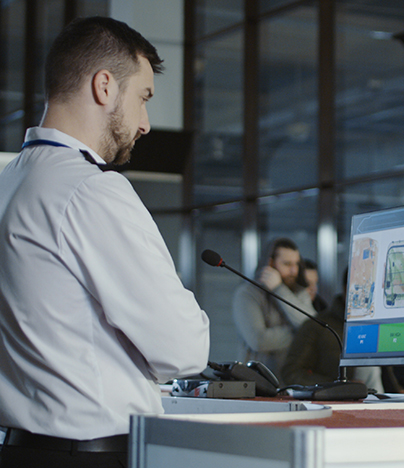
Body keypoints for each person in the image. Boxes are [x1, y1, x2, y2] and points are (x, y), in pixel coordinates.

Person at [0, 17, 210, 468]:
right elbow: (184, 349)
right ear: (104, 87)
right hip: (91, 453)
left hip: (20, 448)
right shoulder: (91, 189)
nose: (146, 123)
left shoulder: (8, 182)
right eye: (143, 98)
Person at [282, 269, 384, 392]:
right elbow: (291, 373)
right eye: (367, 289)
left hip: (373, 398)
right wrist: (337, 385)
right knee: (368, 369)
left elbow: (386, 373)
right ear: (348, 289)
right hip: (332, 400)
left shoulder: (374, 325)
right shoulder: (317, 325)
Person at [232, 238, 316, 382]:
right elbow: (258, 340)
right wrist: (299, 334)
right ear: (270, 263)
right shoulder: (247, 293)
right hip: (256, 384)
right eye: (287, 264)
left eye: (296, 264)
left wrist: (279, 290)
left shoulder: (298, 292)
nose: (294, 270)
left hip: (293, 383)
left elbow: (313, 328)